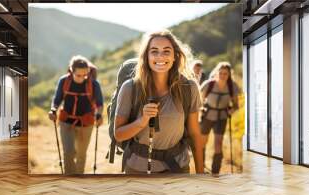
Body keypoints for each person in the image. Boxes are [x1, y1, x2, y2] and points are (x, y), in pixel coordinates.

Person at [114, 29, 204, 174]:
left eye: (166, 51)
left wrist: (201, 173)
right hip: (138, 169)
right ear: (146, 57)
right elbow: (118, 134)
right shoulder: (130, 88)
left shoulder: (189, 88)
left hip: (177, 167)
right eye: (154, 51)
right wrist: (142, 121)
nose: (160, 56)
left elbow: (194, 134)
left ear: (175, 56)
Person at [48, 55, 103, 174]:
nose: (82, 78)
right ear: (71, 71)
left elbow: (99, 104)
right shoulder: (64, 81)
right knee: (68, 152)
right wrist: (53, 109)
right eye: (78, 75)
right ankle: (69, 179)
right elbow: (57, 99)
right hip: (66, 122)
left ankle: (79, 180)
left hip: (86, 124)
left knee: (81, 155)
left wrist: (99, 115)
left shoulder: (94, 84)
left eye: (85, 75)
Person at [199, 62, 240, 176]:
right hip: (207, 116)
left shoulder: (232, 86)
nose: (222, 75)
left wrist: (232, 110)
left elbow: (236, 105)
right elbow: (200, 101)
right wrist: (201, 108)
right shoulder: (208, 84)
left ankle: (215, 172)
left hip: (222, 117)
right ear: (217, 73)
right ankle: (200, 169)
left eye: (225, 74)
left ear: (229, 75)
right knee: (202, 143)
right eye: (221, 73)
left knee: (218, 143)